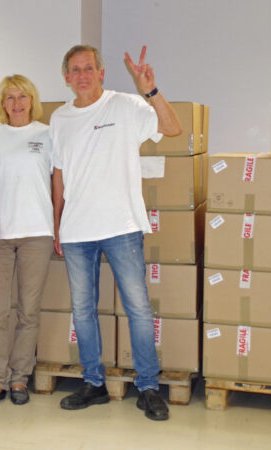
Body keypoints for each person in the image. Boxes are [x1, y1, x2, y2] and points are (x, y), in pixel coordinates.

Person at [50, 45, 182, 421]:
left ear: (102, 72)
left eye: (89, 68)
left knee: (138, 308)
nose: (82, 75)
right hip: (76, 230)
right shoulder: (59, 118)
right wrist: (57, 224)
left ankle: (148, 387)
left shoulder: (127, 105)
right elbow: (58, 175)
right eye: (75, 70)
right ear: (66, 78)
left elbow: (173, 129)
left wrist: (150, 90)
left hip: (122, 226)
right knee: (84, 310)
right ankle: (93, 383)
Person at [0, 75, 54, 408]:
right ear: (2, 103)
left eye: (23, 96)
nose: (17, 103)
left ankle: (20, 378)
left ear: (32, 100)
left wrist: (59, 225)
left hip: (37, 233)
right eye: (10, 97)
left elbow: (58, 181)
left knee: (29, 312)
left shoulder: (48, 135)